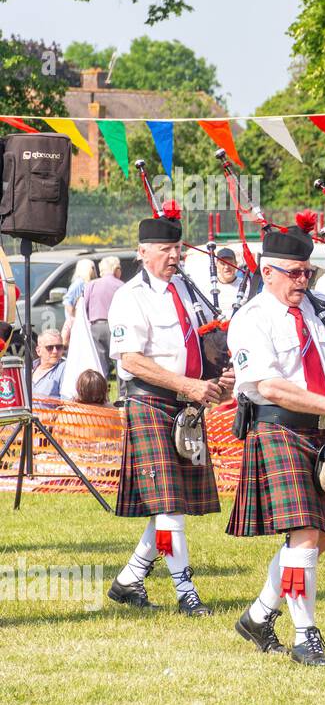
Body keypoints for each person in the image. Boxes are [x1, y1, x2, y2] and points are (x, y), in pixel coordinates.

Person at [227, 217, 325, 665]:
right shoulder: (251, 320)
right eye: (294, 273)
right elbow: (270, 386)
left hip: (321, 429)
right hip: (280, 425)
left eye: (307, 272)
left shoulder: (313, 311)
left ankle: (258, 616)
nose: (303, 280)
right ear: (266, 271)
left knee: (321, 538)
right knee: (305, 534)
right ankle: (305, 634)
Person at [106, 206, 232, 617]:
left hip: (187, 406)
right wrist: (186, 384)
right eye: (165, 249)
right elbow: (131, 359)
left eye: (177, 248)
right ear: (142, 252)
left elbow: (204, 342)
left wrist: (219, 376)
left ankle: (129, 579)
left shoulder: (187, 290)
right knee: (170, 504)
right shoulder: (130, 296)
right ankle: (185, 591)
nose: (174, 256)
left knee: (168, 502)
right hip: (150, 401)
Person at [83, 256, 124, 375]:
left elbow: (84, 306)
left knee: (100, 363)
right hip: (116, 327)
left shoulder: (92, 285)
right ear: (116, 269)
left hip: (96, 326)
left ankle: (101, 390)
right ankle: (122, 392)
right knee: (119, 361)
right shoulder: (121, 285)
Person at [62, 258, 97, 346]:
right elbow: (67, 301)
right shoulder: (79, 283)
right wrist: (74, 318)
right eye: (91, 268)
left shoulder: (90, 282)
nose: (94, 270)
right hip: (79, 324)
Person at [30, 330, 66, 401]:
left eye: (59, 347)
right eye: (50, 347)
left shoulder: (65, 368)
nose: (55, 351)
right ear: (38, 351)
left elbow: (67, 403)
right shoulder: (26, 369)